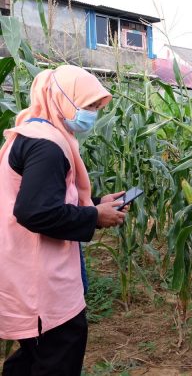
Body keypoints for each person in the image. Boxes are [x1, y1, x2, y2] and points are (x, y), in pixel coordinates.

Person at [0, 65, 127, 375]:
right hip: (38, 277)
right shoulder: (47, 145)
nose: (92, 115)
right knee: (59, 351)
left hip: (24, 266)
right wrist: (94, 216)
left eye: (96, 108)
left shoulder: (35, 133)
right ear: (62, 99)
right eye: (88, 106)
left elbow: (46, 198)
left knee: (35, 352)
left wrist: (96, 205)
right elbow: (35, 211)